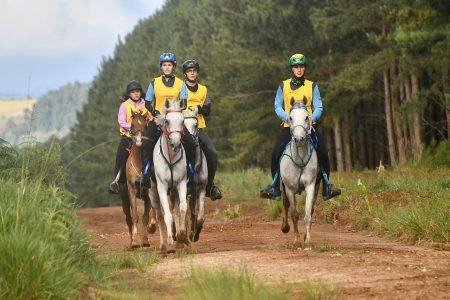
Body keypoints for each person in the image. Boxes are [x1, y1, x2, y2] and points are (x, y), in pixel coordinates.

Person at [259, 53, 341, 200]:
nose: (299, 69)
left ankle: (327, 187)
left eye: (301, 66)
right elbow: (277, 105)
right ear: (292, 69)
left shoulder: (312, 86)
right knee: (276, 151)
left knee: (322, 150)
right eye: (296, 66)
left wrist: (312, 118)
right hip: (289, 126)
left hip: (308, 127)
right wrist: (287, 118)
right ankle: (275, 187)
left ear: (305, 68)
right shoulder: (283, 86)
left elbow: (319, 106)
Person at [135, 52, 197, 189]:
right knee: (145, 144)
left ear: (173, 67)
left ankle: (191, 174)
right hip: (158, 120)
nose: (167, 67)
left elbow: (184, 102)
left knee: (192, 144)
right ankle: (144, 174)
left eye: (169, 65)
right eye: (164, 65)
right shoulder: (154, 83)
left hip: (174, 120)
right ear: (161, 67)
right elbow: (147, 102)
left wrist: (174, 111)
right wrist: (156, 113)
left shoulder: (181, 84)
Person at [182, 59, 222, 200]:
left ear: (197, 73)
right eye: (189, 71)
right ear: (185, 74)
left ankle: (210, 185)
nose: (192, 73)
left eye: (194, 71)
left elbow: (208, 110)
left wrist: (201, 108)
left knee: (212, 152)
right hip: (181, 128)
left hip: (199, 127)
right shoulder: (180, 89)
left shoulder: (203, 90)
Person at [108, 80, 148, 194]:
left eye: (138, 91)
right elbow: (121, 121)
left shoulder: (146, 104)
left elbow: (150, 118)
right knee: (121, 156)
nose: (136, 94)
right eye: (133, 92)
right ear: (129, 94)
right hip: (129, 137)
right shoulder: (124, 105)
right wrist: (132, 127)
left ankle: (153, 178)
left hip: (144, 137)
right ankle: (117, 181)